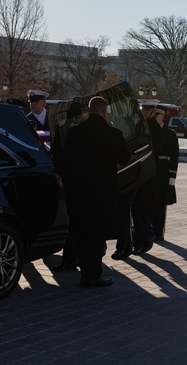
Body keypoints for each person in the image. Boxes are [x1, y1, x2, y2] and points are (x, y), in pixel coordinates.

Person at [61, 96, 130, 288]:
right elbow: (125, 158)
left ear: (89, 111)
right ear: (104, 111)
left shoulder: (74, 133)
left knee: (82, 235)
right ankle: (94, 274)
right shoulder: (113, 133)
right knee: (98, 236)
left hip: (79, 193)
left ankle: (85, 274)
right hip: (103, 194)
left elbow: (65, 164)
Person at [50, 100, 85, 272]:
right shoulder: (83, 131)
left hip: (68, 180)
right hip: (83, 182)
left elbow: (57, 154)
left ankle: (70, 257)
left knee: (71, 221)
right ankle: (77, 256)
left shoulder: (60, 128)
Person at [131, 100, 161, 254]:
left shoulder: (155, 129)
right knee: (136, 207)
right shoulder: (139, 127)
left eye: (147, 109)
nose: (144, 111)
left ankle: (147, 237)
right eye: (143, 108)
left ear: (153, 110)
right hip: (138, 172)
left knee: (141, 207)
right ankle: (138, 240)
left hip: (149, 174)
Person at [151, 105, 179, 241]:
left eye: (158, 116)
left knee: (161, 202)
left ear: (162, 117)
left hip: (163, 170)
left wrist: (172, 175)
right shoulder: (149, 132)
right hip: (152, 168)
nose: (156, 119)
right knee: (150, 201)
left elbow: (175, 156)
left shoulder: (170, 134)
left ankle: (159, 231)